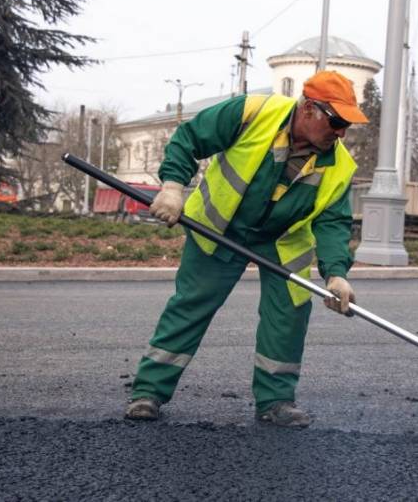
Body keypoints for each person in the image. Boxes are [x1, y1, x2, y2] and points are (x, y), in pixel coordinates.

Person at [125, 71, 368, 427]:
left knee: (289, 314)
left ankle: (276, 401)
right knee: (191, 306)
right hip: (221, 227)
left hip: (282, 242)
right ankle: (148, 391)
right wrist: (174, 186)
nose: (342, 132)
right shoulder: (254, 112)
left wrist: (336, 274)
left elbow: (333, 223)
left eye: (348, 124)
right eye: (337, 121)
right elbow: (189, 138)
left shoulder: (339, 165)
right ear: (309, 109)